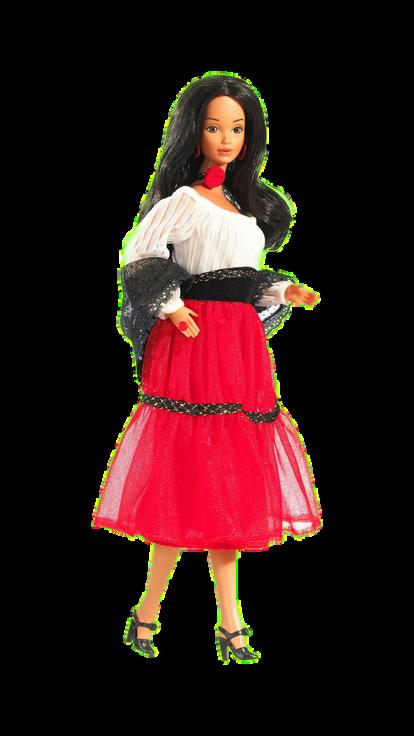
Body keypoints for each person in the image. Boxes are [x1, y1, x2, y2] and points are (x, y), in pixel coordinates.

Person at [91, 72, 323, 663]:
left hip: (239, 349)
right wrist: (171, 306)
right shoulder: (184, 201)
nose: (226, 138)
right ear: (194, 133)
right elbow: (140, 254)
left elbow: (243, 281)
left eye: (237, 129)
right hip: (194, 344)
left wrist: (284, 292)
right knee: (184, 473)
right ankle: (149, 610)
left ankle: (227, 618)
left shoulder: (247, 211)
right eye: (215, 127)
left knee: (232, 481)